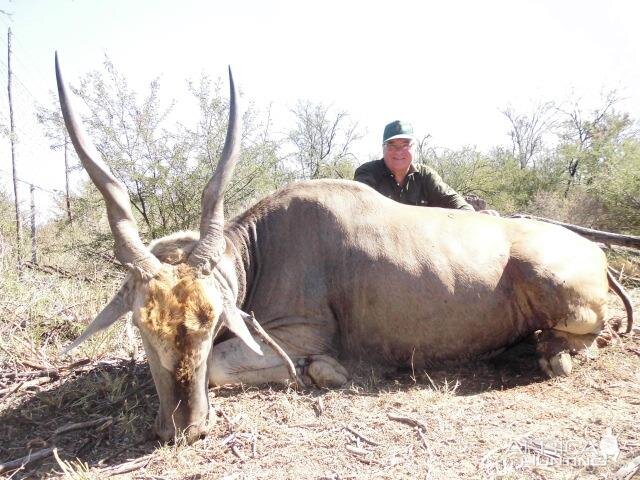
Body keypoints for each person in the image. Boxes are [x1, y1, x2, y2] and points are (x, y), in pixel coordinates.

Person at [354, 120, 497, 215]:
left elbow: (453, 201)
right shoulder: (368, 173)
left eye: (405, 145)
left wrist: (475, 218)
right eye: (392, 145)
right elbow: (357, 208)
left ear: (414, 148)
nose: (398, 151)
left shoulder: (425, 175)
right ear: (383, 148)